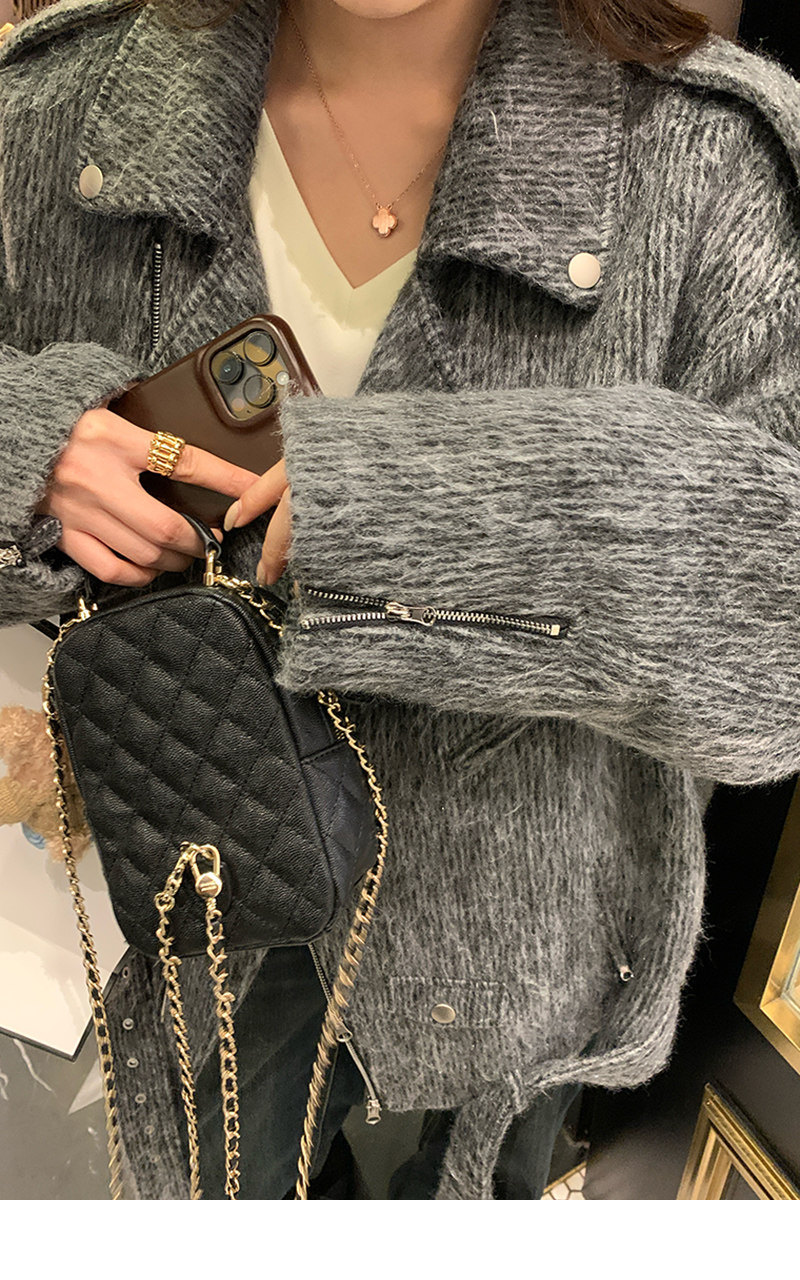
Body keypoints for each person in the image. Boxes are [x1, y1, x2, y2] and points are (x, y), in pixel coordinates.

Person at [2, 0, 800, 1200]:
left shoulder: (707, 157)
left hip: (525, 941)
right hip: (208, 885)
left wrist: (399, 513)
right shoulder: (54, 106)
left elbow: (773, 648)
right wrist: (26, 450)